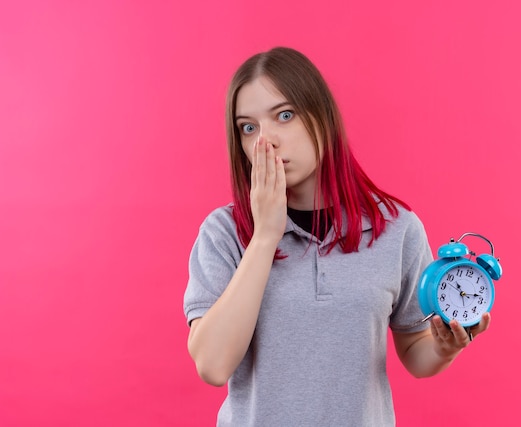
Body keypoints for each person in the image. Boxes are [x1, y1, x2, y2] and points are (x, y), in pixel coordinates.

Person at [183, 47, 490, 426]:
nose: (266, 141)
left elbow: (416, 350)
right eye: (249, 127)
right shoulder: (224, 233)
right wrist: (264, 236)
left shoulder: (397, 228)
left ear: (322, 117)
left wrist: (444, 349)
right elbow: (212, 366)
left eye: (284, 115)